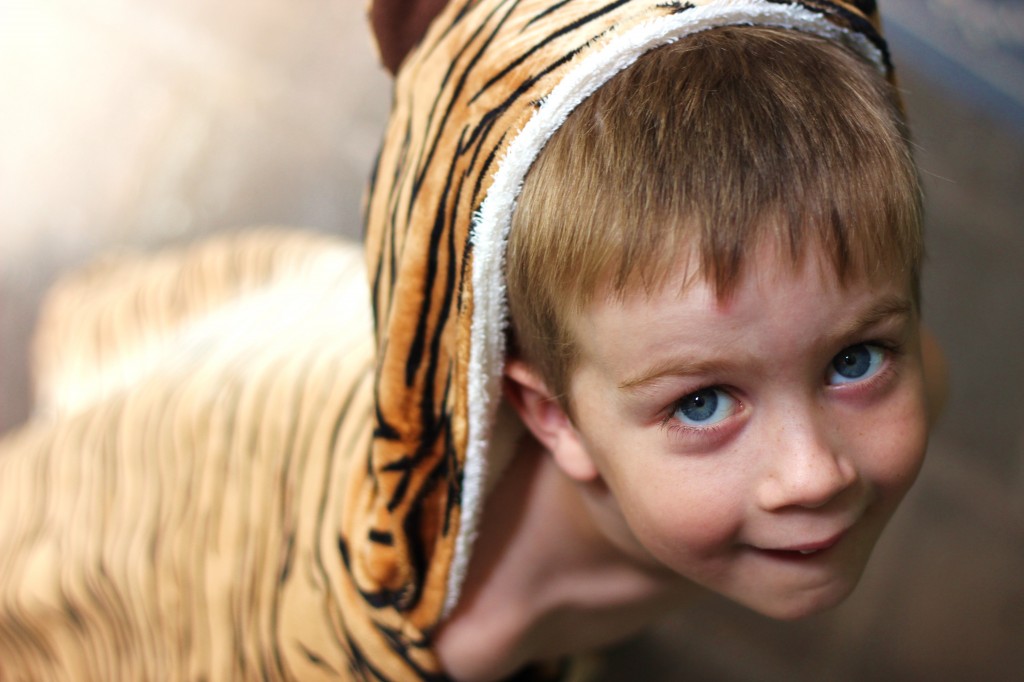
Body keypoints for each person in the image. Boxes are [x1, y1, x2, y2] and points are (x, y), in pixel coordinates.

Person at [0, 1, 946, 680]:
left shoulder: (910, 379)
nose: (816, 473)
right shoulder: (467, 625)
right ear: (550, 415)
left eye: (851, 361)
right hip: (217, 493)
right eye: (702, 402)